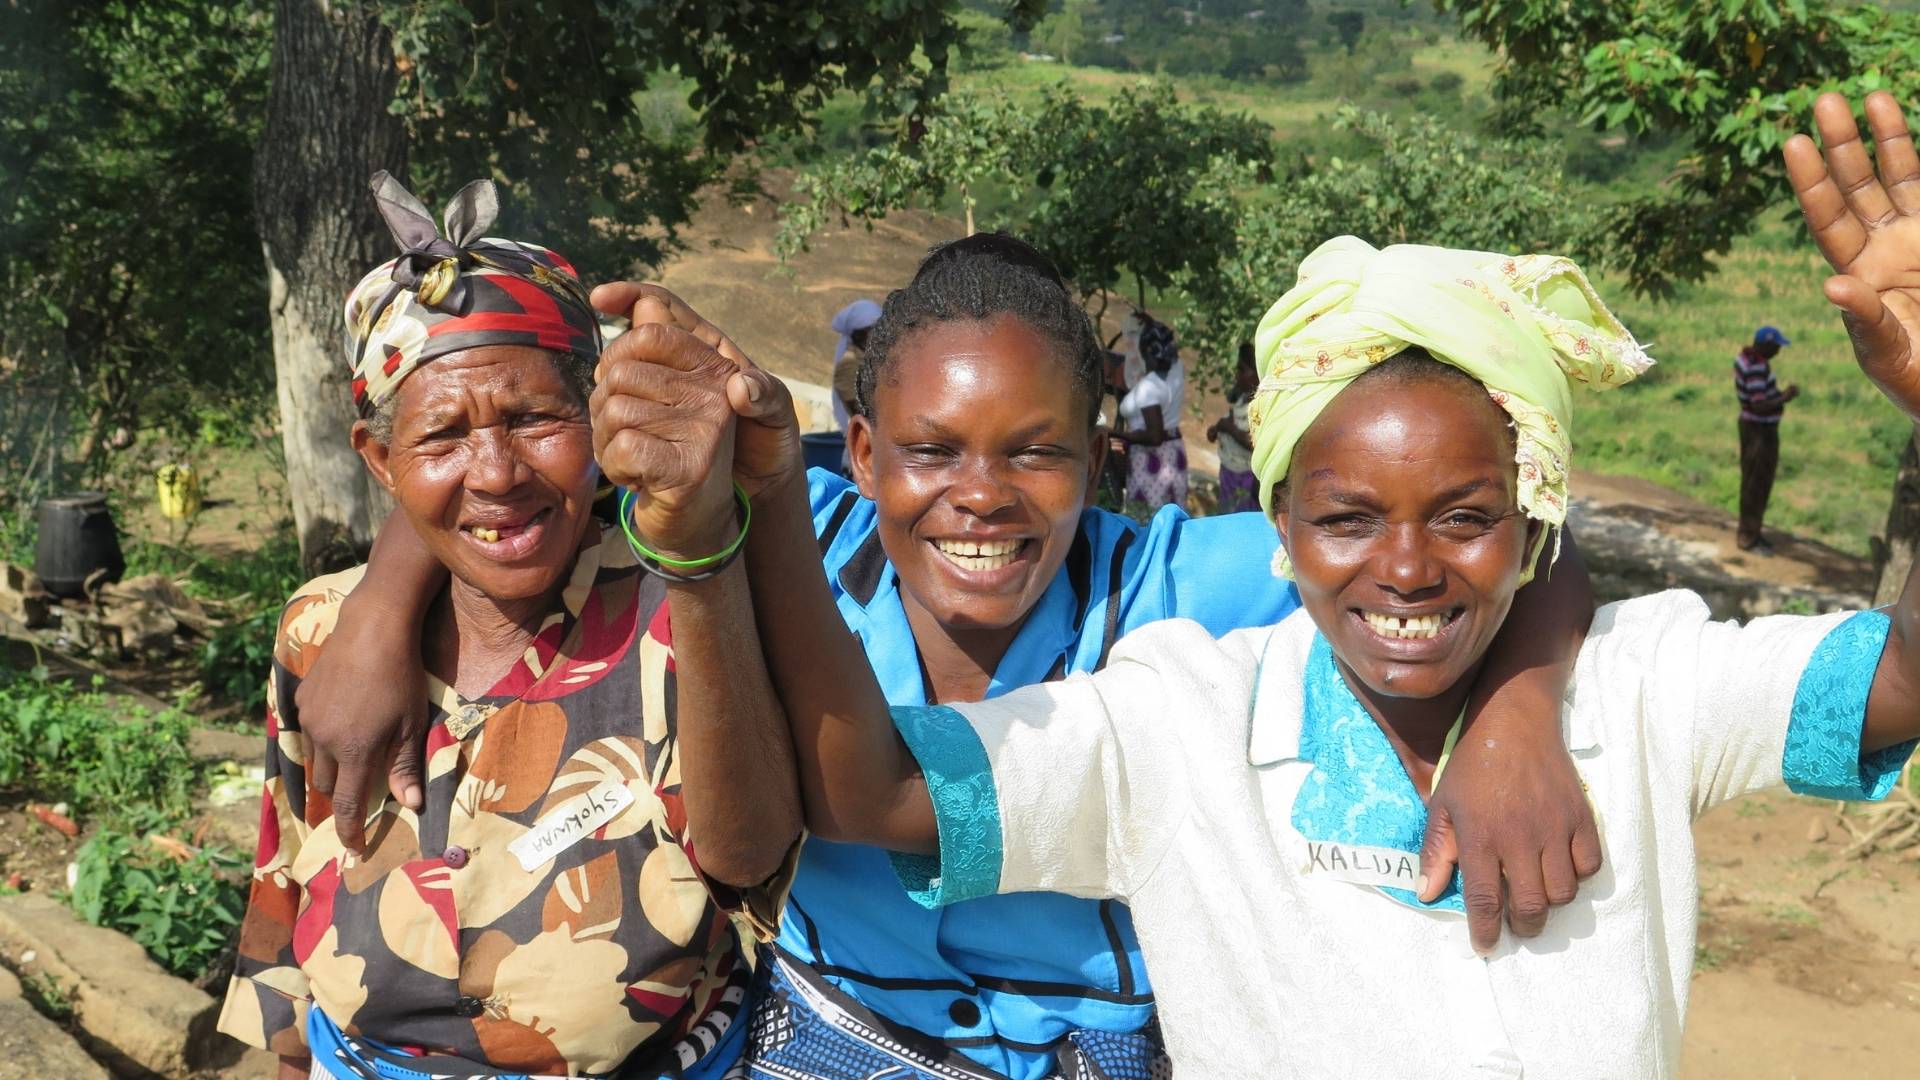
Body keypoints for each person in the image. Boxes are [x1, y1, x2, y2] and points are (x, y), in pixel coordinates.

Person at [605, 90, 1920, 1077]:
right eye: (1349, 518)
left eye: (1467, 518)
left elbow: (1884, 677)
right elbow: (860, 793)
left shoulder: (1625, 684)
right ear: (1281, 520)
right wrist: (739, 511)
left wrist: (1525, 694)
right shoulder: (1184, 716)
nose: (1403, 565)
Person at [304, 232, 1601, 1079]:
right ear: (863, 455)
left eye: (1035, 450)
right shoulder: (794, 526)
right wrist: (380, 606)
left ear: (1100, 458)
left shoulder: (1175, 580)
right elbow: (507, 490)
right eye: (931, 452)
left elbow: (1510, 557)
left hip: (1102, 1052)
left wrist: (1517, 716)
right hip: (827, 1039)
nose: (980, 496)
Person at [216, 174, 801, 1080]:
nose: (496, 474)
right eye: (442, 436)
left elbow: (750, 856)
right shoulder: (322, 632)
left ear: (599, 419)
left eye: (535, 418)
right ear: (380, 461)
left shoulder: (679, 610)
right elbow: (288, 897)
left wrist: (702, 549)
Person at [1733, 324, 1799, 554]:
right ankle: (1749, 537)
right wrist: (1785, 397)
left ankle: (1752, 532)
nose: (1778, 352)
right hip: (1759, 430)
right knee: (1757, 482)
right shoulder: (1756, 367)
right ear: (1766, 345)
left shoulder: (1745, 359)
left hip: (1754, 427)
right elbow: (1759, 405)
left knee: (1754, 480)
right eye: (1776, 347)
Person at [1115, 316, 1188, 512]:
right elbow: (1163, 339)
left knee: (1147, 520)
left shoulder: (1149, 388)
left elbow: (1154, 435)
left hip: (1151, 462)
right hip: (1174, 453)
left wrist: (1115, 434)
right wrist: (1151, 323)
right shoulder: (1177, 367)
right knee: (1172, 518)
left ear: (1146, 351)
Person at [1206, 342, 1259, 513]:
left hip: (1246, 478)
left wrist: (1229, 429)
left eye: (1242, 370)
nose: (1237, 375)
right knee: (1227, 513)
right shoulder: (1243, 399)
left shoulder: (1260, 407)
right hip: (1230, 472)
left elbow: (1255, 443)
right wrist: (1218, 428)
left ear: (1258, 374)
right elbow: (1233, 419)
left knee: (1241, 519)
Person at [830, 299, 884, 437]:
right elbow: (859, 407)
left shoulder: (877, 360)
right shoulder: (849, 366)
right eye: (870, 331)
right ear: (857, 335)